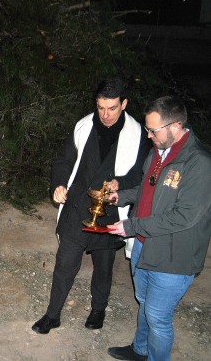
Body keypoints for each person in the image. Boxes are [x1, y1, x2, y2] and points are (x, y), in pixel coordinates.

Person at [32, 78, 151, 334]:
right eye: (100, 107)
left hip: (109, 209)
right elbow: (64, 160)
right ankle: (53, 314)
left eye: (112, 108)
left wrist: (119, 183)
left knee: (103, 264)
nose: (105, 115)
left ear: (124, 104)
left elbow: (141, 174)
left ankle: (98, 309)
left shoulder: (138, 135)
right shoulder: (83, 126)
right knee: (65, 262)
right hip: (77, 205)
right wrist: (58, 184)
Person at [106, 96, 211, 361]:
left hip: (173, 256)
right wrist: (121, 196)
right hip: (144, 244)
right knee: (144, 302)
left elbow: (184, 217)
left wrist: (132, 225)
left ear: (175, 126)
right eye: (147, 129)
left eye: (153, 130)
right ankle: (140, 350)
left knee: (157, 316)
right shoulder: (157, 152)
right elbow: (146, 189)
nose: (149, 135)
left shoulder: (199, 163)